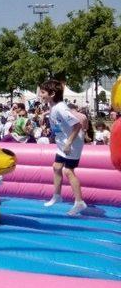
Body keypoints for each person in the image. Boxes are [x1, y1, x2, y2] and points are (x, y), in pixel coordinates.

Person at [39, 80, 87, 216]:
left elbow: (77, 125)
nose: (40, 95)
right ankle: (57, 195)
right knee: (56, 167)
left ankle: (79, 202)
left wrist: (69, 143)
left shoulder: (61, 108)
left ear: (52, 94)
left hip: (72, 143)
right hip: (63, 142)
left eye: (43, 92)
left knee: (68, 171)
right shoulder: (54, 107)